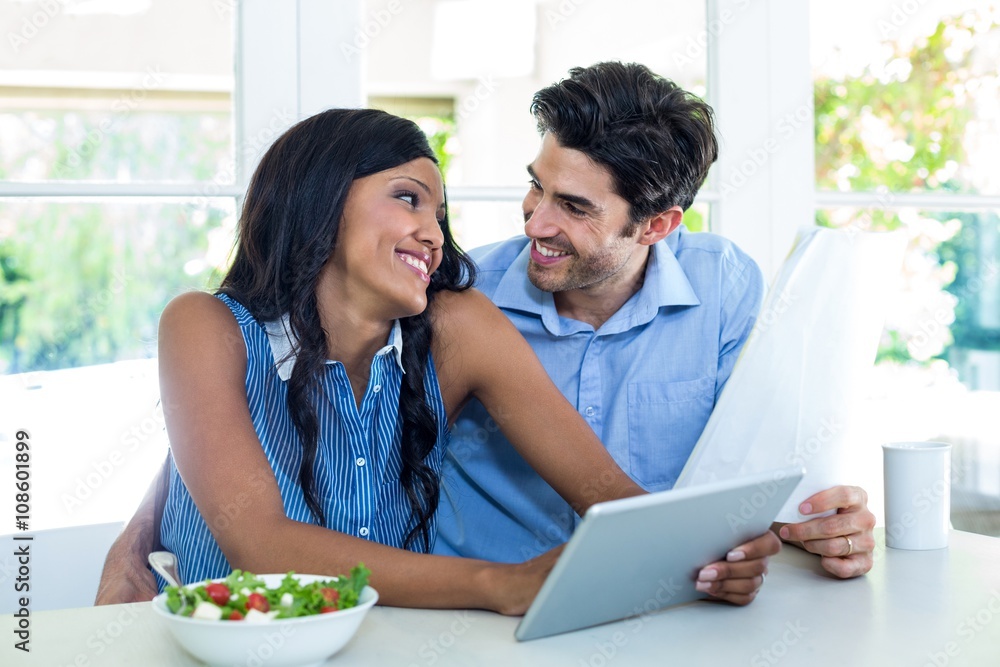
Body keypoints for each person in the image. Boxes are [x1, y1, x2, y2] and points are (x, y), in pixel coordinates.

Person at [95, 107, 778, 613]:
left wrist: (725, 552)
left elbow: (613, 497)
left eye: (440, 212)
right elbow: (263, 546)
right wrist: (497, 582)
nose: (434, 231)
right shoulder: (204, 325)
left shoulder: (456, 326)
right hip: (210, 645)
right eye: (407, 197)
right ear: (321, 197)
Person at [434, 62, 875, 582]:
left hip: (667, 596)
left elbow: (756, 479)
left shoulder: (724, 287)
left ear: (657, 225)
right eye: (537, 186)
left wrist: (813, 529)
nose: (535, 222)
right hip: (484, 610)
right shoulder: (465, 293)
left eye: (574, 207)